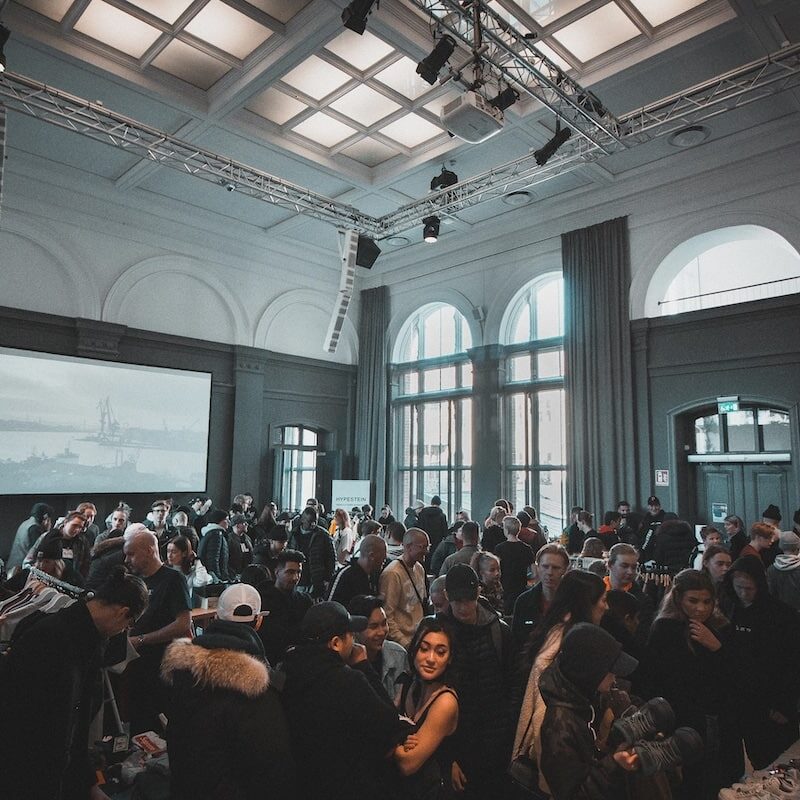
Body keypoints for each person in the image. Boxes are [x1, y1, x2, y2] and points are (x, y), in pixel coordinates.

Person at [0, 566, 148, 800]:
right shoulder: (53, 640)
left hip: (48, 771)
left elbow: (76, 727)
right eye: (128, 625)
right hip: (26, 772)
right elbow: (38, 726)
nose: (124, 631)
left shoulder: (86, 639)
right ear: (123, 613)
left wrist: (87, 783)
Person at [161, 583, 295, 800]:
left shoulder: (184, 670)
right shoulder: (258, 686)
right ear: (259, 621)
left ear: (216, 618)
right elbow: (271, 762)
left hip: (184, 788)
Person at [280, 601, 411, 800]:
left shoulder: (286, 670)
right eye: (350, 635)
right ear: (336, 643)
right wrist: (364, 666)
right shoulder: (347, 680)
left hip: (303, 783)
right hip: (347, 785)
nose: (354, 640)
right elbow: (388, 722)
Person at [639, 569, 744, 798]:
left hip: (718, 719)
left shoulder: (721, 627)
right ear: (678, 598)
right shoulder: (665, 629)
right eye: (693, 601)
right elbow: (657, 679)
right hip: (681, 722)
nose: (701, 608)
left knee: (720, 781)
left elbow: (736, 676)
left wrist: (717, 648)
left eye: (707, 602)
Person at [512, 570, 608, 795]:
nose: (607, 606)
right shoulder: (566, 645)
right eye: (603, 600)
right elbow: (544, 713)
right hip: (555, 753)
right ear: (587, 603)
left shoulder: (556, 631)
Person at [538, 623, 642, 800]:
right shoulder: (559, 725)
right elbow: (573, 795)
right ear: (590, 672)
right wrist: (614, 763)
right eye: (610, 670)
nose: (615, 676)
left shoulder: (585, 698)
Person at [440, 564, 513, 799]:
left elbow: (512, 686)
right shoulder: (437, 633)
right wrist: (446, 756)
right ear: (447, 597)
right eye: (458, 600)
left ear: (478, 594)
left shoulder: (499, 631)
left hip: (497, 745)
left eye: (469, 599)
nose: (464, 607)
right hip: (458, 743)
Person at [720, 555, 800, 769]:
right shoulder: (728, 608)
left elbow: (792, 663)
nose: (744, 593)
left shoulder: (782, 615)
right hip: (741, 701)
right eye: (739, 587)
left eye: (749, 588)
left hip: (773, 702)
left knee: (778, 760)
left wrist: (786, 705)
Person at [124, 528, 192, 733]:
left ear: (148, 551)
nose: (127, 559)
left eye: (131, 554)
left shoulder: (173, 580)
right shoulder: (136, 582)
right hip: (136, 667)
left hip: (161, 669)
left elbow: (183, 624)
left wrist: (142, 639)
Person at [394, 616, 459, 799]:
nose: (431, 659)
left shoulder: (445, 701)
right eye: (424, 649)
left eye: (440, 652)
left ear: (450, 659)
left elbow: (408, 764)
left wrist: (392, 742)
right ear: (414, 649)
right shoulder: (408, 683)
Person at [257, 549, 313, 665]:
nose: (295, 578)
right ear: (277, 572)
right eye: (290, 572)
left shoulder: (304, 601)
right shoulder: (262, 600)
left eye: (299, 572)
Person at [349, 594, 409, 701]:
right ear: (355, 631)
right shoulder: (346, 662)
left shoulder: (398, 655)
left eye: (384, 623)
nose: (382, 632)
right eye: (373, 627)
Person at [379, 528, 430, 648]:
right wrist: (405, 644)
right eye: (422, 547)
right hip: (403, 644)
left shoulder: (419, 568)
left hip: (418, 639)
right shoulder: (393, 573)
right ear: (408, 547)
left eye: (428, 547)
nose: (426, 551)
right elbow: (387, 615)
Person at [511, 542, 569, 648]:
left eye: (555, 568)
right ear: (538, 567)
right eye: (545, 566)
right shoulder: (523, 602)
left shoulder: (574, 602)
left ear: (565, 570)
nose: (549, 572)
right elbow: (515, 644)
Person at [286, 506, 336, 599]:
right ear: (302, 520)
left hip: (316, 580)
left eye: (315, 521)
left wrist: (327, 578)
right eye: (310, 521)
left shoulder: (323, 535)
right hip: (298, 579)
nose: (313, 524)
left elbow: (331, 558)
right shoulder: (293, 535)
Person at [327, 533, 387, 607]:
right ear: (371, 555)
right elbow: (330, 608)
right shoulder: (344, 576)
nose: (385, 559)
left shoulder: (375, 575)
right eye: (383, 555)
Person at [495, 515, 534, 613]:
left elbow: (496, 569)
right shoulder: (527, 549)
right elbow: (535, 572)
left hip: (505, 588)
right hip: (521, 588)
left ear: (506, 530)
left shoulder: (499, 548)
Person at [6, 501, 54, 572]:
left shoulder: (26, 523)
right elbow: (39, 551)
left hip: (13, 567)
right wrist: (48, 531)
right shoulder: (34, 528)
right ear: (45, 516)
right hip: (20, 569)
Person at [766, 530, 800, 610]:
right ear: (797, 547)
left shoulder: (771, 569)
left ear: (781, 546)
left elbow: (770, 594)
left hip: (780, 612)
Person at [196, 507, 232, 581]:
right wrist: (218, 578)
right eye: (226, 519)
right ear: (219, 521)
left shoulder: (211, 533)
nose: (228, 522)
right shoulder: (216, 535)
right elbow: (213, 559)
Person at [470, 550, 503, 615]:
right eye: (492, 570)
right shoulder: (478, 591)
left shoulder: (497, 586)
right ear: (481, 572)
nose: (497, 573)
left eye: (498, 569)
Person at [416, 496, 449, 561]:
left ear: (431, 503)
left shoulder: (422, 514)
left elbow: (419, 527)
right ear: (439, 504)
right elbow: (445, 532)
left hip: (424, 541)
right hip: (437, 543)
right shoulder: (442, 515)